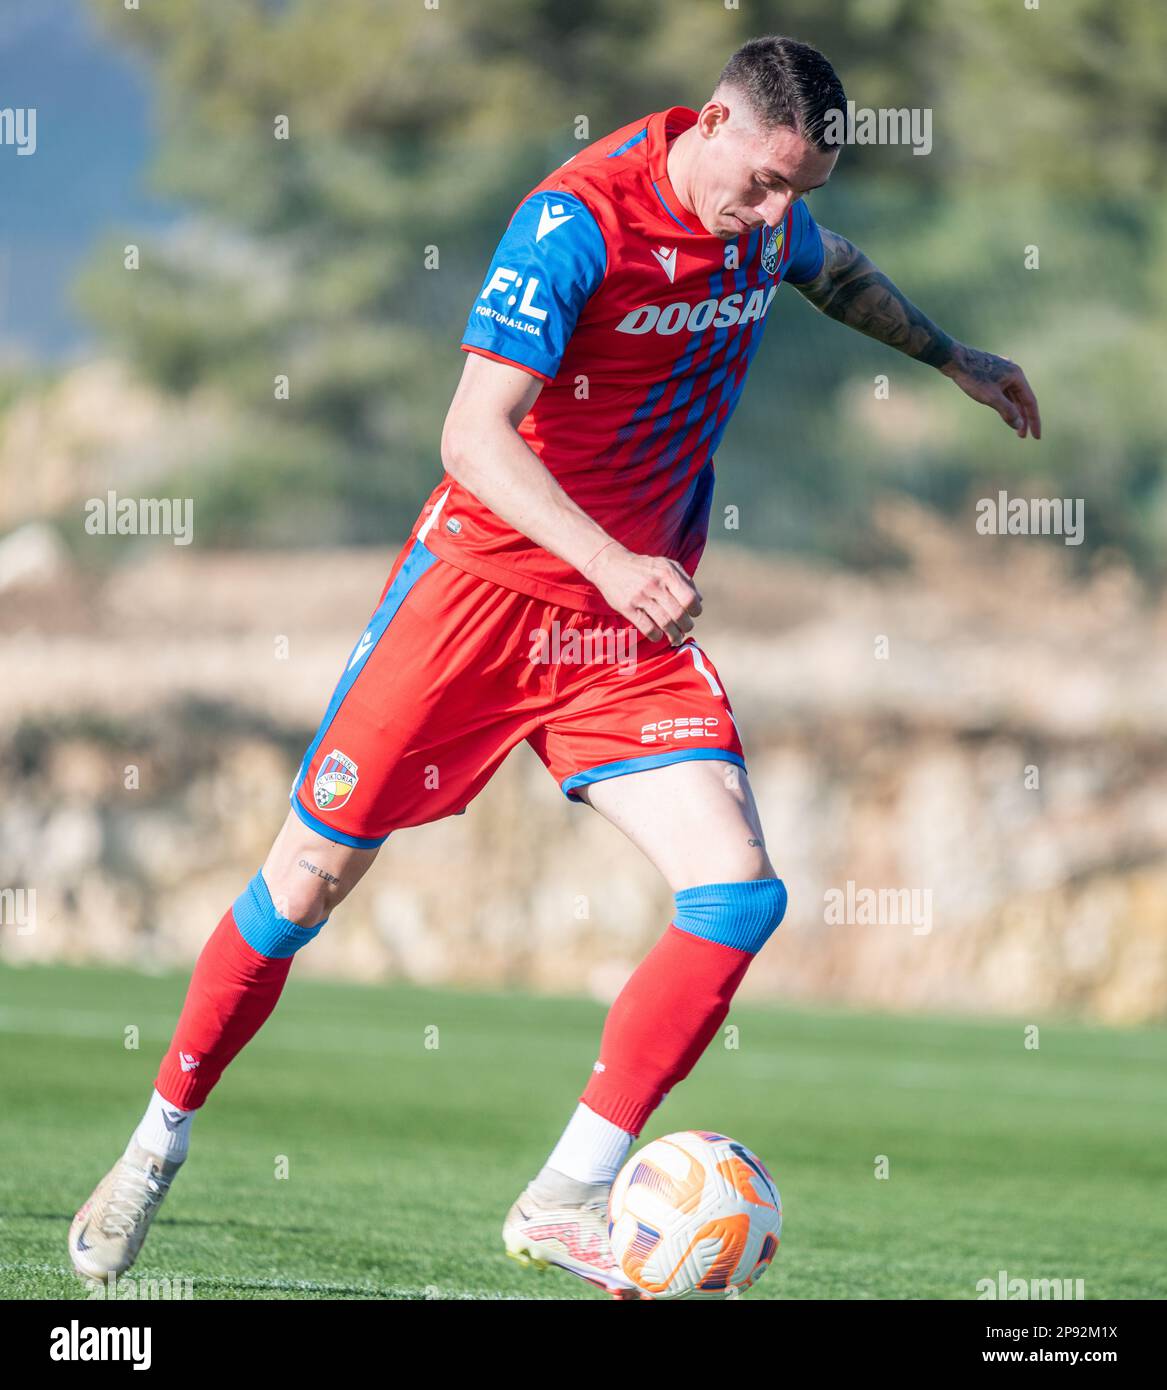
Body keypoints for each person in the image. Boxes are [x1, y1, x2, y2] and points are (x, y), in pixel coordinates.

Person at [68, 34, 1040, 1299]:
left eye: (802, 188)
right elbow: (472, 436)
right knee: (305, 881)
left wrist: (951, 355)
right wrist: (611, 558)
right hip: (480, 597)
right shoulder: (576, 220)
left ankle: (567, 1193)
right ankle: (154, 1145)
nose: (778, 212)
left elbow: (835, 270)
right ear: (711, 124)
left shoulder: (766, 220)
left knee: (738, 894)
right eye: (762, 183)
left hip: (619, 643)